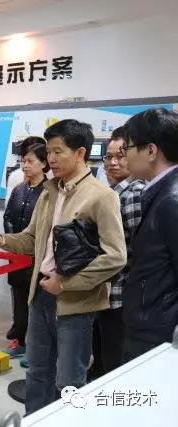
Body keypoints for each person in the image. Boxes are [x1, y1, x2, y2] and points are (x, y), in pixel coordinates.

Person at [0, 119, 126, 414]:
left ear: (80, 153)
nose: (51, 158)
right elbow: (32, 238)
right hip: (40, 293)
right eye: (49, 151)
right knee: (37, 371)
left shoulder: (102, 196)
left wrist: (65, 284)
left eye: (58, 151)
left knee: (69, 380)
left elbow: (115, 257)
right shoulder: (49, 192)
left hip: (75, 303)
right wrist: (0, 239)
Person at [86, 126, 144, 376]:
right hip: (104, 289)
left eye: (120, 156)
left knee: (114, 358)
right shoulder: (112, 192)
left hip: (121, 292)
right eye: (108, 157)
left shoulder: (133, 194)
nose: (112, 163)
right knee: (100, 348)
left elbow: (138, 250)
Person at [121, 108, 178, 361]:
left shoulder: (171, 199)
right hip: (152, 319)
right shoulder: (160, 192)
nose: (124, 157)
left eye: (128, 148)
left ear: (151, 151)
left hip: (158, 328)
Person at [3, 139, 48, 361]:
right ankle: (19, 340)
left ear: (44, 163)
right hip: (16, 255)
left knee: (37, 304)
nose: (25, 165)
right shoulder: (19, 189)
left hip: (38, 257)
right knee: (19, 300)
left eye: (30, 161)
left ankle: (36, 348)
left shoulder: (49, 191)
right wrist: (13, 241)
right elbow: (8, 217)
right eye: (24, 161)